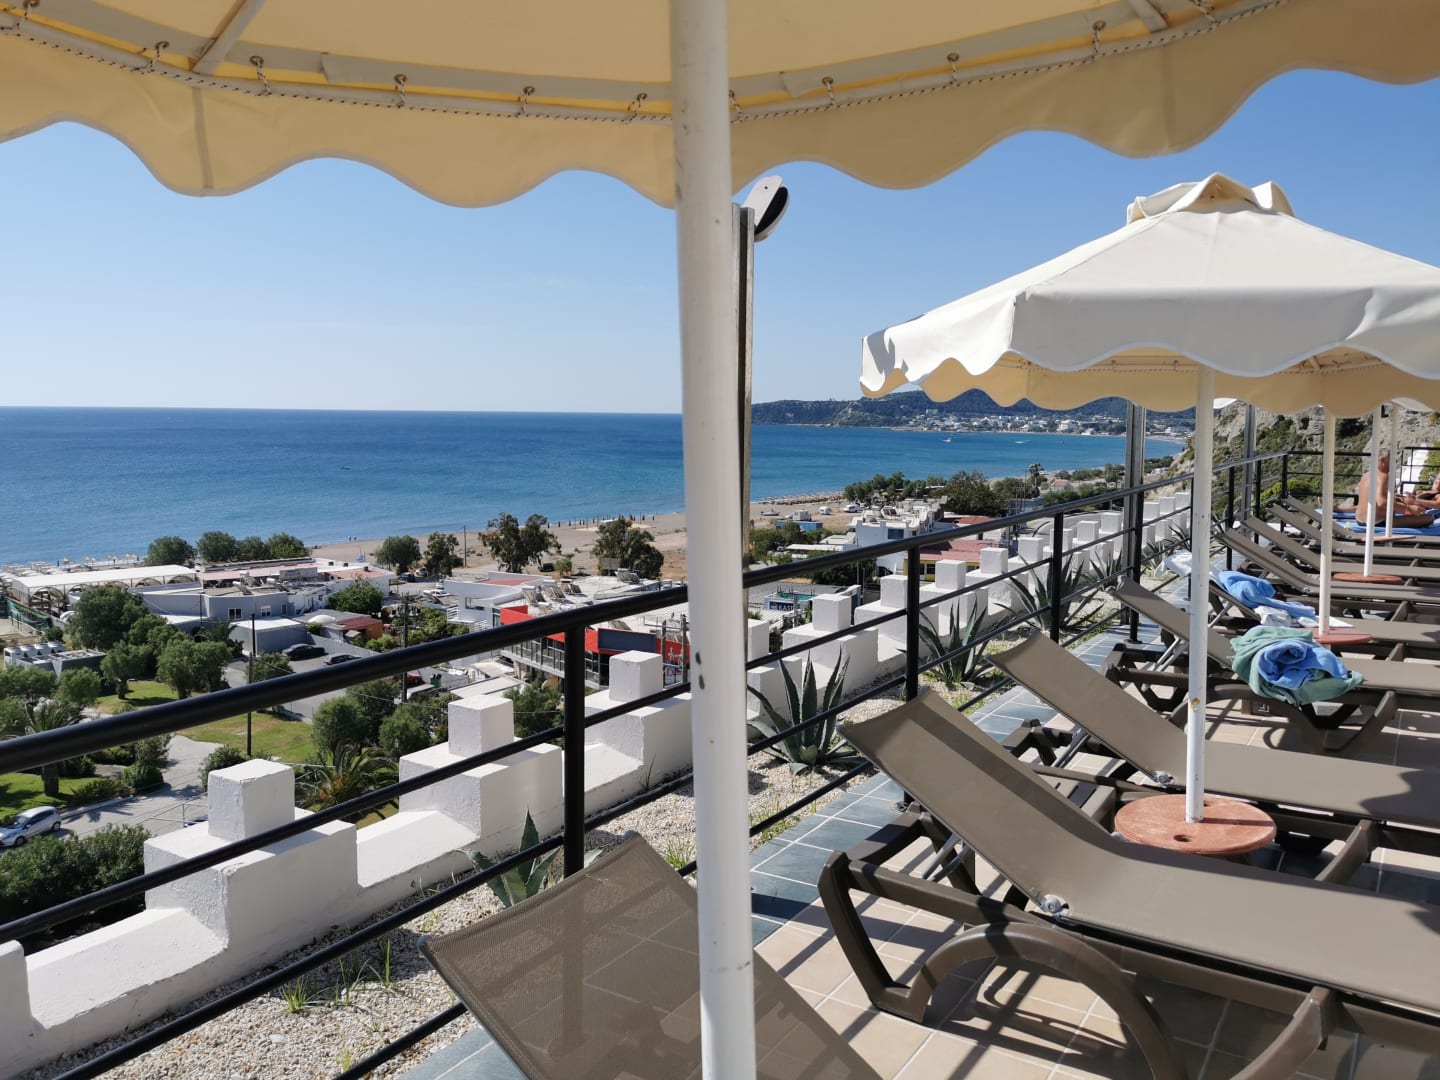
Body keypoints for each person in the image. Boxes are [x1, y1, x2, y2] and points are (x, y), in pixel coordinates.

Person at [1352, 449, 1439, 527]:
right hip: (1376, 522)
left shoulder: (1366, 475)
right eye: (1392, 460)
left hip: (1359, 520)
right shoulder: (1383, 476)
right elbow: (1382, 502)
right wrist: (1408, 508)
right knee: (1428, 518)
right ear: (1382, 460)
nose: (1394, 463)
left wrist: (1395, 498)